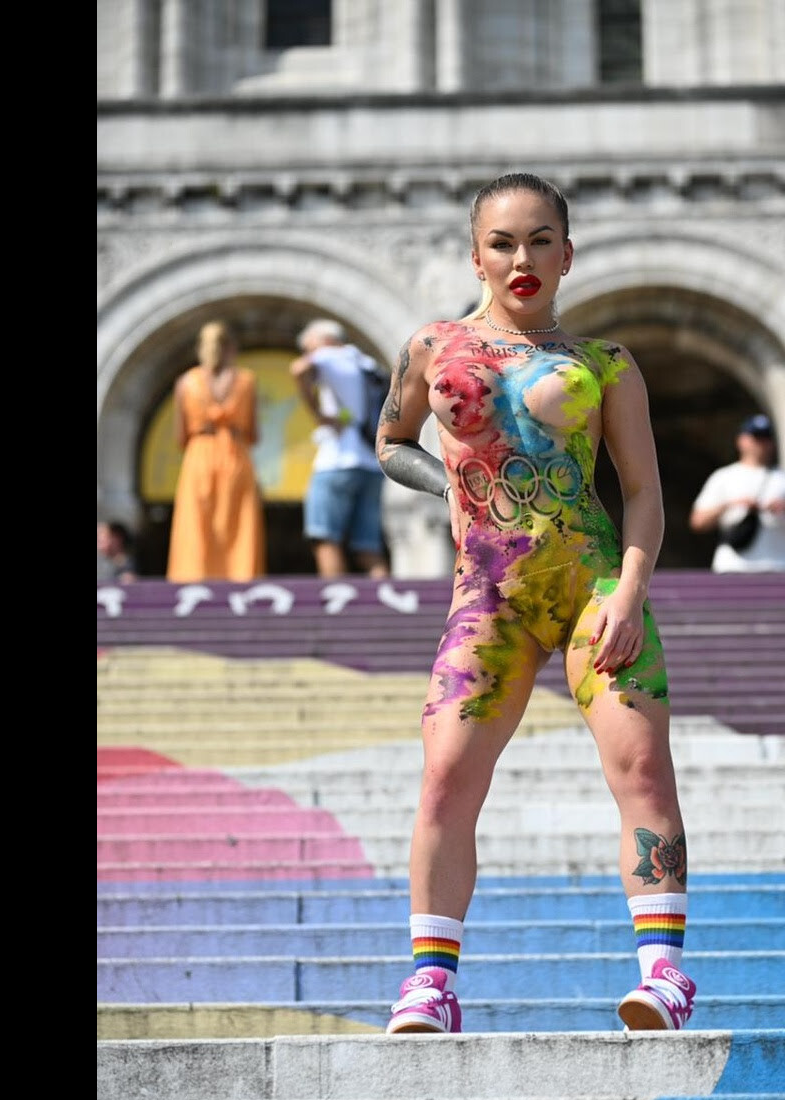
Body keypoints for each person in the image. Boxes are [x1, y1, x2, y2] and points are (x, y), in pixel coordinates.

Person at [374, 172, 695, 1036]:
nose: (523, 259)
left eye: (541, 240)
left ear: (567, 253)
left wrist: (629, 591)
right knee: (446, 776)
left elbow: (643, 493)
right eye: (505, 242)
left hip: (593, 586)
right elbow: (391, 442)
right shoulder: (431, 347)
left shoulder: (604, 363)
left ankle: (664, 974)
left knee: (641, 769)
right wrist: (443, 481)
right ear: (475, 254)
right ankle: (431, 984)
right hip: (489, 592)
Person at [166, 320, 266, 583]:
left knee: (196, 524)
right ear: (231, 347)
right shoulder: (246, 381)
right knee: (239, 525)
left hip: (198, 456)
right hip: (236, 455)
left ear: (200, 348)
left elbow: (180, 436)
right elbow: (254, 434)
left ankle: (193, 579)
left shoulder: (186, 382)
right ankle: (240, 579)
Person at [289, 319, 390, 579]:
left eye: (307, 346)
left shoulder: (327, 354)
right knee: (368, 547)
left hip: (337, 460)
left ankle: (335, 608)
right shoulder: (366, 362)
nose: (307, 352)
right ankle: (385, 607)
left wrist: (318, 413)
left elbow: (298, 370)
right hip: (371, 464)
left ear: (320, 339)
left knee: (324, 538)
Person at [688, 413, 785, 573]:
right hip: (732, 566)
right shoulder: (724, 477)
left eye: (766, 438)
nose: (761, 444)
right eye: (756, 437)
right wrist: (733, 505)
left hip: (777, 566)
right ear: (741, 440)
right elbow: (698, 522)